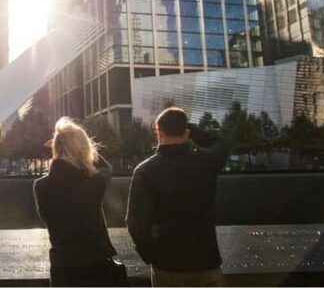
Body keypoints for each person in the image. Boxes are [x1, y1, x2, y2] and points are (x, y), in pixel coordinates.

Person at [126, 107, 229, 287]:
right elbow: (220, 143)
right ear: (186, 132)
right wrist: (191, 130)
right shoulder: (207, 161)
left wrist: (151, 256)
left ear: (158, 131)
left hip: (168, 264)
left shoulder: (144, 171)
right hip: (206, 261)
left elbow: (136, 223)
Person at [33, 117, 121, 287]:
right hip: (96, 265)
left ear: (56, 148)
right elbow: (106, 168)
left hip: (62, 267)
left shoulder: (41, 186)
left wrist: (61, 145)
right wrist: (81, 147)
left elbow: (45, 219)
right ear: (83, 149)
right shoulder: (94, 182)